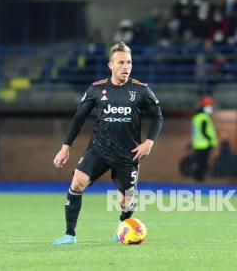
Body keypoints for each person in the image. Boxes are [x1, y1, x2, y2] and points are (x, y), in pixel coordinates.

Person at [52, 42, 163, 245]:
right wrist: (65, 146)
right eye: (121, 62)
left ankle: (122, 227)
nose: (126, 66)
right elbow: (79, 117)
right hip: (99, 150)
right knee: (77, 183)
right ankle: (69, 235)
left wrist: (149, 142)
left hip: (128, 155)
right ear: (111, 65)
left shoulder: (141, 90)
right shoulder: (97, 89)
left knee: (125, 201)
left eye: (129, 62)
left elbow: (157, 117)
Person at [191, 96, 218, 182]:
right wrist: (210, 139)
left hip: (197, 143)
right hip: (205, 144)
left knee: (199, 162)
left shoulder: (196, 117)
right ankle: (200, 180)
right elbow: (204, 131)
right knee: (203, 163)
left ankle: (198, 179)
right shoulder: (204, 117)